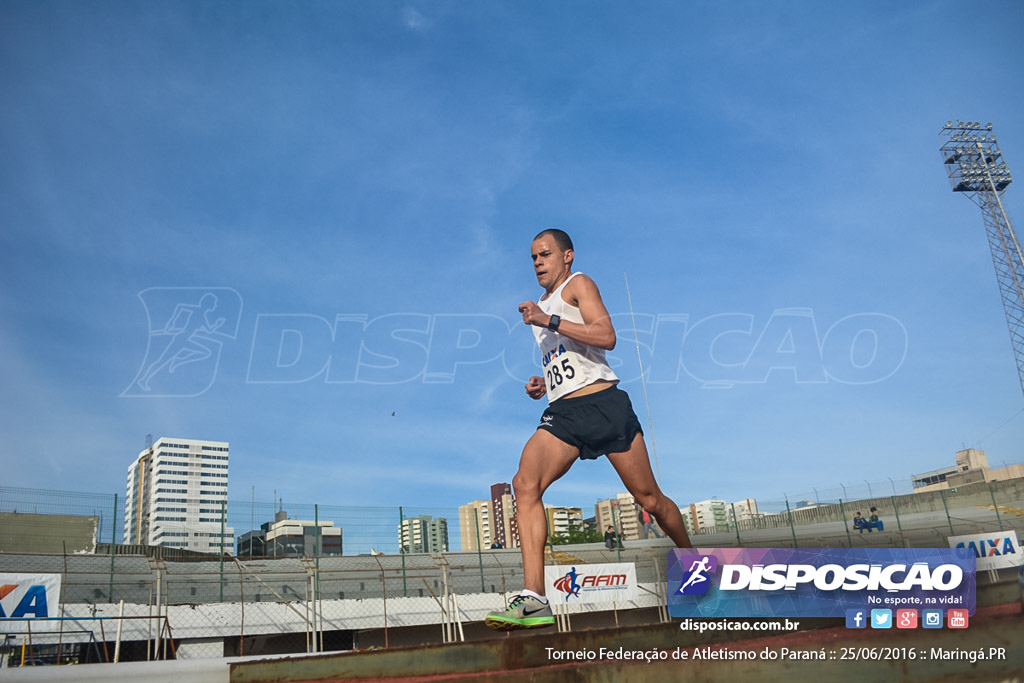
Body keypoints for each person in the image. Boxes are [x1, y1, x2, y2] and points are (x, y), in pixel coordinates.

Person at [484, 229, 693, 631]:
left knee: (650, 500)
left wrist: (550, 319)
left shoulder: (578, 285)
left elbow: (606, 336)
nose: (538, 262)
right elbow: (574, 357)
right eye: (533, 257)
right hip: (564, 413)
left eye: (545, 254)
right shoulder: (540, 309)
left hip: (605, 406)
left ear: (567, 256)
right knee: (524, 483)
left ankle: (693, 564)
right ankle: (534, 599)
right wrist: (545, 382)